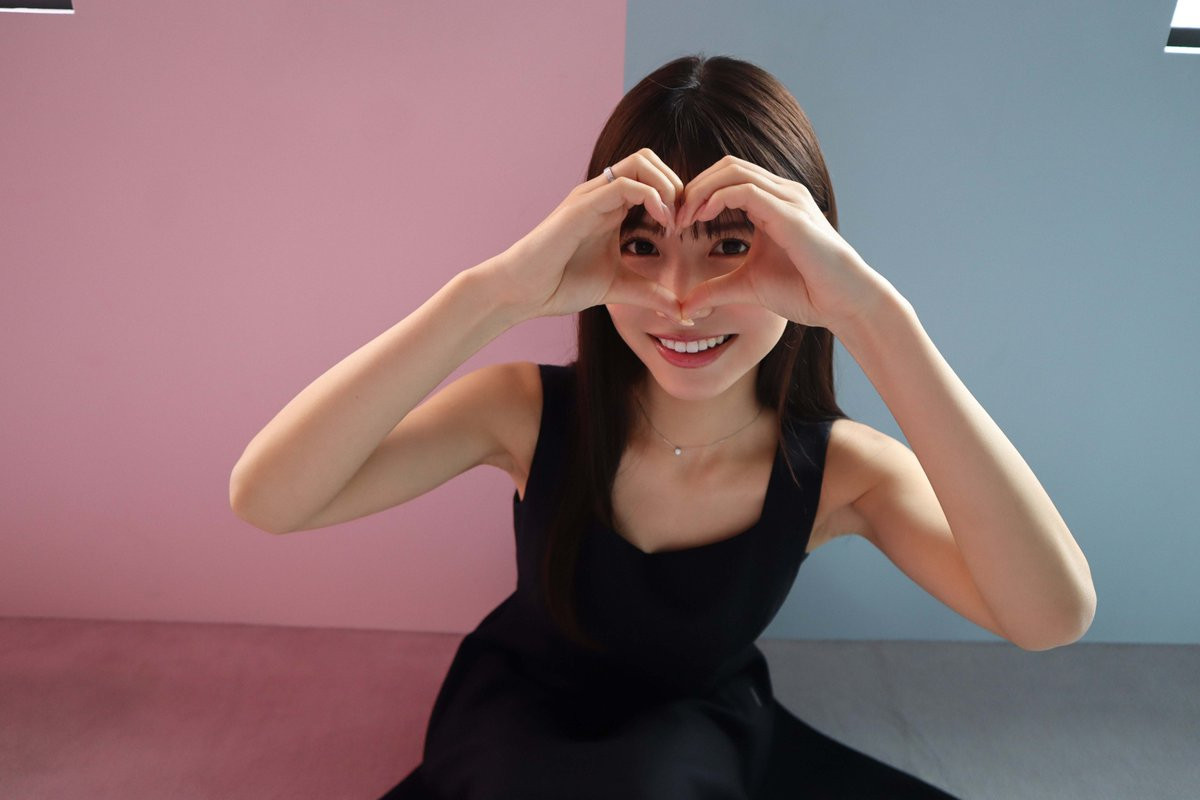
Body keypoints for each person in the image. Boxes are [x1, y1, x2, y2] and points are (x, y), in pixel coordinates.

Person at [230, 53, 1094, 800]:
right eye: (643, 246)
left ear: (807, 255)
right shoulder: (523, 411)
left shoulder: (841, 473)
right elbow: (268, 498)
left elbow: (1051, 616)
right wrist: (493, 294)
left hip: (694, 724)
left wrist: (873, 316)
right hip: (517, 708)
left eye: (729, 245)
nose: (681, 298)